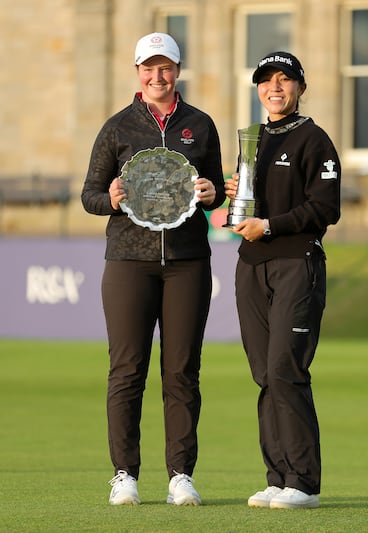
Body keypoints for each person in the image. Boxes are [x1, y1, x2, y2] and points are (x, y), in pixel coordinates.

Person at [81, 32, 225, 507]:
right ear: (138, 72)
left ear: (177, 71)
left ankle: (181, 475)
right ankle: (124, 474)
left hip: (187, 263)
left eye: (165, 68)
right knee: (126, 371)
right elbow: (90, 195)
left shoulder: (200, 125)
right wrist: (113, 200)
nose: (157, 76)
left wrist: (211, 194)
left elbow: (217, 191)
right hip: (128, 262)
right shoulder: (118, 128)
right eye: (149, 68)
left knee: (182, 372)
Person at [224, 51, 341, 510]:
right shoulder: (252, 139)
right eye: (266, 81)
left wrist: (270, 226)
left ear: (300, 88)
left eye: (284, 80)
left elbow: (325, 208)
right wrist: (236, 196)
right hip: (251, 264)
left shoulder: (315, 140)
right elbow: (255, 201)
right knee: (263, 374)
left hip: (297, 263)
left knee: (285, 371)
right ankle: (277, 477)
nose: (275, 88)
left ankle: (304, 483)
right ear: (258, 89)